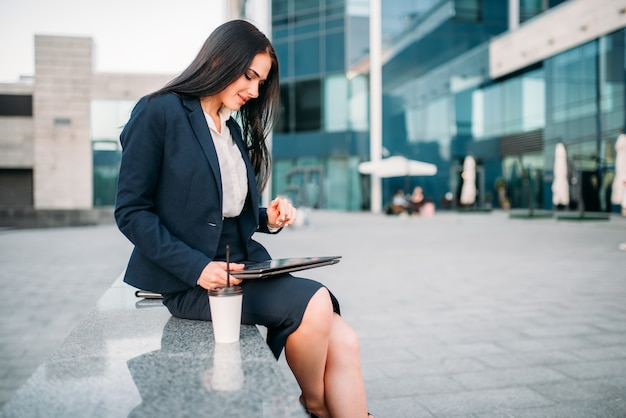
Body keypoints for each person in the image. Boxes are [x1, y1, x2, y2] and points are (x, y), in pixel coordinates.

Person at [114, 20, 371, 418]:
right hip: (193, 279)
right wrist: (198, 268)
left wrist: (268, 217)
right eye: (249, 76)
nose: (254, 91)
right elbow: (131, 211)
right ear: (218, 58)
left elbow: (222, 208)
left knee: (345, 339)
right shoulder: (159, 112)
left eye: (260, 83)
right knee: (318, 301)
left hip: (245, 264)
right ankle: (316, 405)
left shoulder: (229, 127)